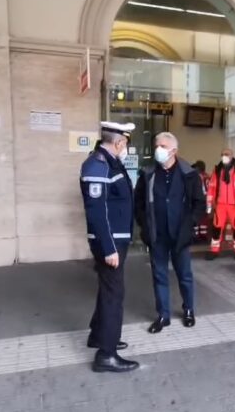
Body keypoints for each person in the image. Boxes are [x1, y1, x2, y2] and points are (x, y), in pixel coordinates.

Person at [79, 121, 139, 373]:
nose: (125, 146)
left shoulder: (109, 163)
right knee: (115, 294)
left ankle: (99, 336)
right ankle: (107, 354)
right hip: (110, 242)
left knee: (107, 289)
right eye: (125, 142)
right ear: (119, 142)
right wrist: (109, 248)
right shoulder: (97, 166)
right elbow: (97, 211)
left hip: (116, 239)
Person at [135, 133, 206, 334]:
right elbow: (138, 204)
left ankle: (189, 310)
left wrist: (189, 224)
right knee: (159, 275)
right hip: (157, 235)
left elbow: (199, 204)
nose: (159, 149)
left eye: (163, 146)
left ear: (174, 150)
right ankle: (163, 315)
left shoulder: (189, 174)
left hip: (180, 235)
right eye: (157, 145)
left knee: (184, 275)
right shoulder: (148, 174)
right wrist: (145, 226)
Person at [206, 148, 235, 262]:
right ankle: (214, 250)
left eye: (226, 154)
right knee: (216, 228)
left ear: (232, 155)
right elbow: (211, 187)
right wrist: (209, 203)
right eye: (222, 154)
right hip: (220, 204)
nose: (224, 156)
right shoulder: (217, 170)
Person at [191, 160, 210, 241]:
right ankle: (203, 235)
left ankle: (196, 236)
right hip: (208, 199)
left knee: (196, 217)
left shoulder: (197, 177)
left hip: (200, 199)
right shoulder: (208, 176)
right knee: (204, 218)